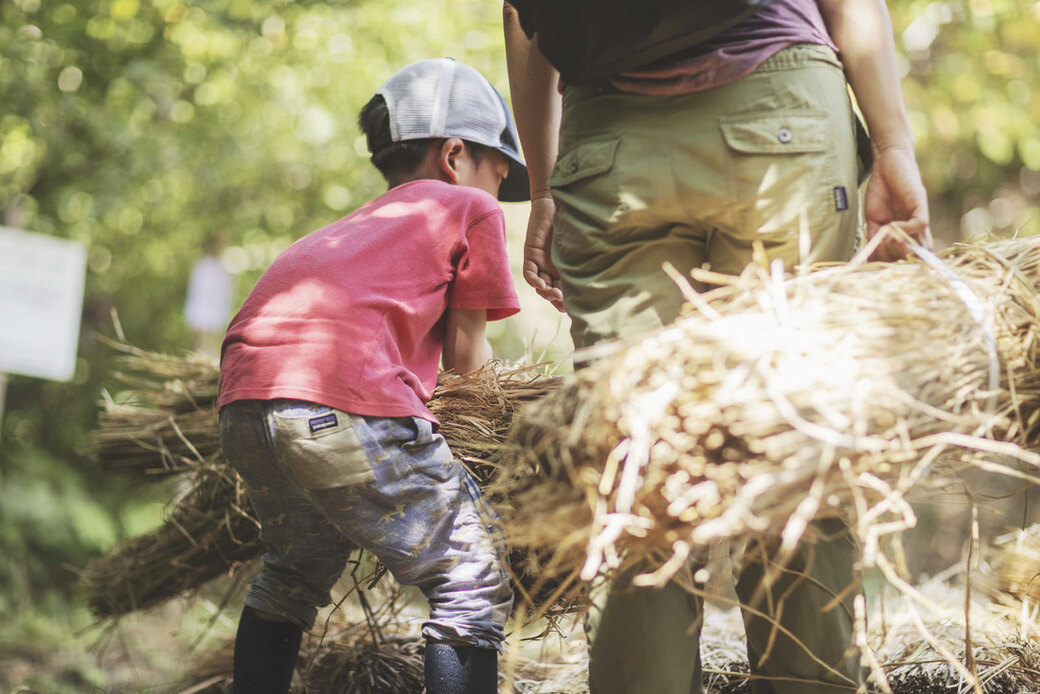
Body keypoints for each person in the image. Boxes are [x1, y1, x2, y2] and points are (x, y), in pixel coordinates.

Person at [503, 1, 931, 693]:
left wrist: (546, 185)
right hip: (778, 114)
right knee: (793, 431)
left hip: (610, 145)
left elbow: (524, 18)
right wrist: (893, 147)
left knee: (634, 457)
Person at [217, 57, 529, 694]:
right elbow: (466, 360)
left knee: (292, 572)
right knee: (470, 571)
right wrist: (503, 446)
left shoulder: (346, 232)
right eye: (499, 169)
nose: (498, 187)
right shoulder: (468, 207)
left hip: (243, 404)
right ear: (454, 156)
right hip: (342, 402)